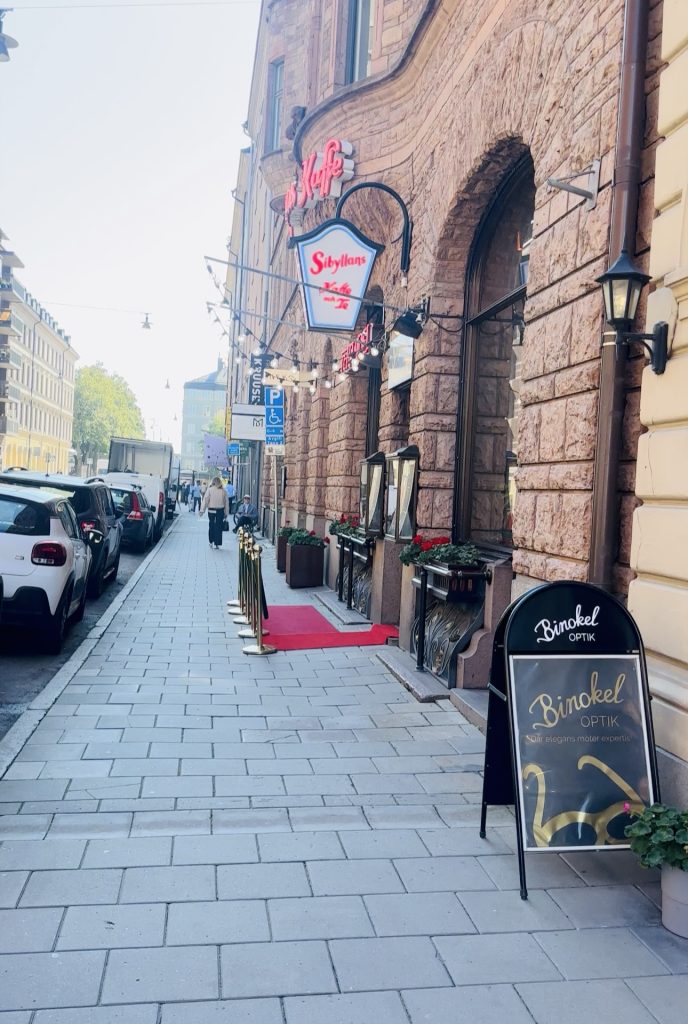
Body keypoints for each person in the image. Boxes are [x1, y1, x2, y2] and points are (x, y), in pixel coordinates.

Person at [200, 475, 230, 549]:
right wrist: (226, 512)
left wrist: (202, 510)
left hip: (211, 510)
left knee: (211, 525)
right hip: (220, 511)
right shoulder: (223, 491)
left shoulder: (210, 490)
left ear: (213, 482)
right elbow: (226, 503)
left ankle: (211, 541)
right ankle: (217, 543)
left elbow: (205, 500)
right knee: (219, 527)